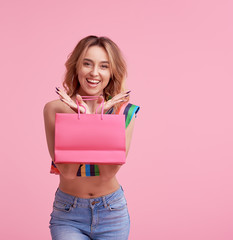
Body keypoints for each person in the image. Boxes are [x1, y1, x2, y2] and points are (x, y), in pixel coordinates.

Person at [43, 35, 140, 240]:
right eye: (87, 63)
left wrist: (94, 118)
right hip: (68, 213)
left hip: (112, 212)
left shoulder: (124, 112)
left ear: (112, 72)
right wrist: (85, 120)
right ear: (76, 66)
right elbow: (68, 171)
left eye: (104, 66)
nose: (94, 73)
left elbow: (107, 172)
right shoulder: (54, 110)